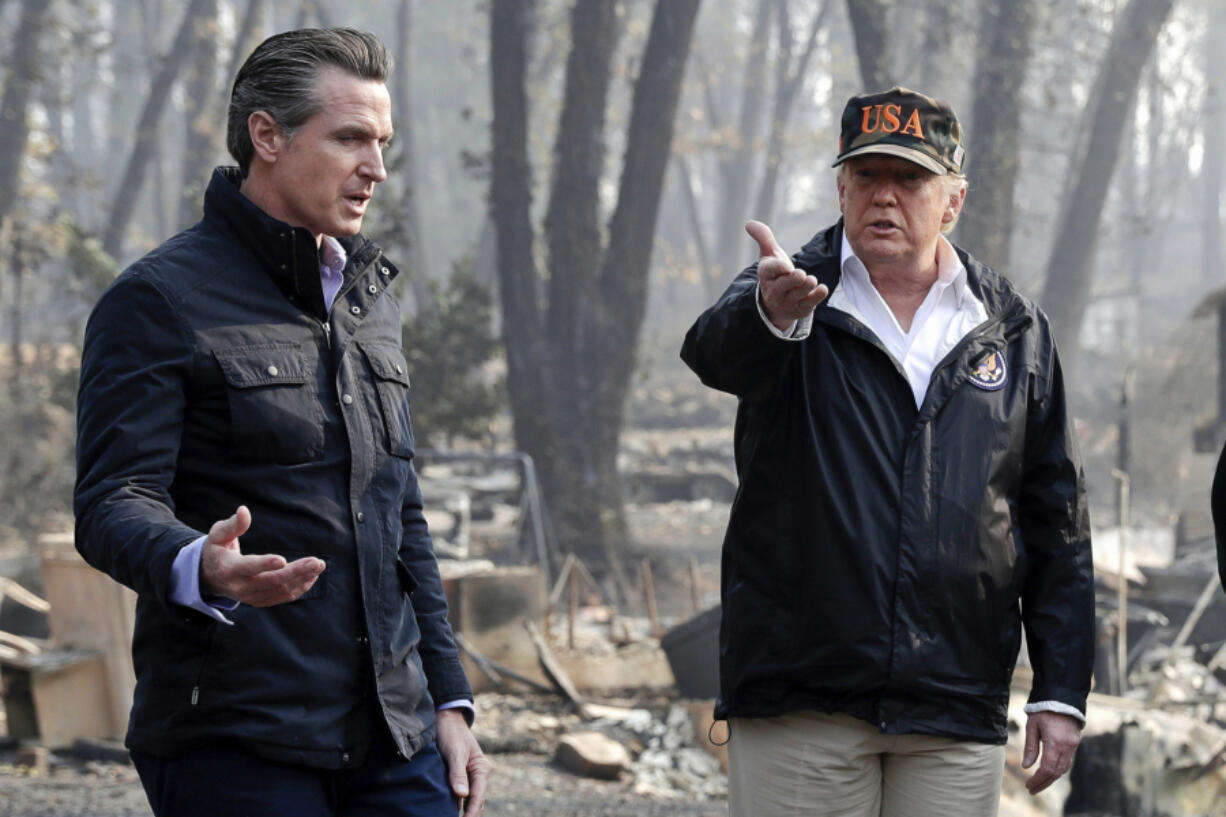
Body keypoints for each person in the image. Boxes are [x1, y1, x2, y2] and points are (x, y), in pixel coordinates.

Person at [73, 28, 488, 817]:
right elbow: (110, 502)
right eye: (350, 138)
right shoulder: (157, 300)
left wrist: (449, 702)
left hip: (393, 742)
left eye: (383, 142)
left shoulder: (372, 303)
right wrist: (199, 562)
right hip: (233, 740)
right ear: (267, 135)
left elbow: (403, 518)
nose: (377, 168)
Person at [680, 86, 1094, 816]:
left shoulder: (1014, 329)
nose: (884, 196)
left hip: (954, 705)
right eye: (866, 176)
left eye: (909, 179)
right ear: (841, 188)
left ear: (953, 200)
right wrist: (768, 316)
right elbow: (716, 355)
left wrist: (1061, 688)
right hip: (802, 701)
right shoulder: (791, 290)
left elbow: (1055, 518)